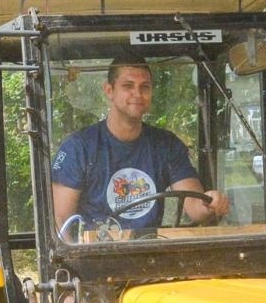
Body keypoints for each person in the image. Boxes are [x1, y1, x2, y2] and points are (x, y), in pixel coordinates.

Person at [51, 50, 230, 234]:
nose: (137, 93)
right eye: (128, 86)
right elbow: (61, 222)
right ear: (110, 91)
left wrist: (209, 204)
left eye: (145, 87)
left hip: (150, 253)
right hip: (97, 256)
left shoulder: (166, 145)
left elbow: (193, 205)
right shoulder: (79, 148)